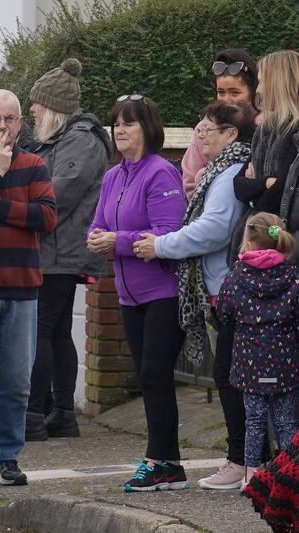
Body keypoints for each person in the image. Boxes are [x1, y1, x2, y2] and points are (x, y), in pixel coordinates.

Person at [133, 101, 256, 490]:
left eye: (207, 130)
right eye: (199, 129)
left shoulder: (230, 171)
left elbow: (214, 229)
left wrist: (162, 245)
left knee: (231, 377)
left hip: (231, 287)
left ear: (230, 134)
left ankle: (244, 462)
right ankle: (246, 460)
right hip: (222, 288)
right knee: (231, 376)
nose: (200, 136)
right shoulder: (219, 171)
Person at [87, 94, 187, 492]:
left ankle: (156, 459)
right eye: (117, 123)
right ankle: (171, 464)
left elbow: (168, 234)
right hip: (128, 295)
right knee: (151, 378)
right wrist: (96, 239)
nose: (120, 130)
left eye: (129, 123)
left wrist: (119, 241)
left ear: (148, 128)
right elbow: (97, 224)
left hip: (163, 290)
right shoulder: (114, 175)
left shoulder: (161, 173)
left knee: (153, 374)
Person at [0, 89, 56, 486]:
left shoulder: (35, 164)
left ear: (21, 123)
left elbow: (46, 218)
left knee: (18, 382)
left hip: (22, 287)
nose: (2, 126)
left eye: (9, 119)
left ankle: (8, 455)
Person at [24, 58, 112, 441]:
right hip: (56, 250)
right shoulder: (66, 138)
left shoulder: (80, 139)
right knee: (57, 331)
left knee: (41, 330)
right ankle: (61, 414)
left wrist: (19, 210)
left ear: (54, 108)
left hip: (60, 252)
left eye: (37, 105)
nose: (31, 111)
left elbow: (59, 193)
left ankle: (34, 414)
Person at [218, 213, 299, 493]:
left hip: (249, 362)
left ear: (249, 242)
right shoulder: (293, 276)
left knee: (253, 420)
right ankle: (289, 478)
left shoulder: (236, 278)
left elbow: (224, 314)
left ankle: (251, 477)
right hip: (285, 362)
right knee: (286, 421)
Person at [234, 50, 299, 246]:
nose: (258, 90)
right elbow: (238, 185)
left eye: (262, 82)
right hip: (257, 244)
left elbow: (279, 195)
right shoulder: (264, 132)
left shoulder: (294, 135)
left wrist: (254, 193)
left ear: (279, 84)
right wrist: (264, 184)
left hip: (282, 251)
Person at [182, 49, 260, 200]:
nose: (227, 99)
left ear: (252, 90)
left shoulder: (264, 125)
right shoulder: (203, 128)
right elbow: (190, 181)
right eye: (221, 92)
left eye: (235, 92)